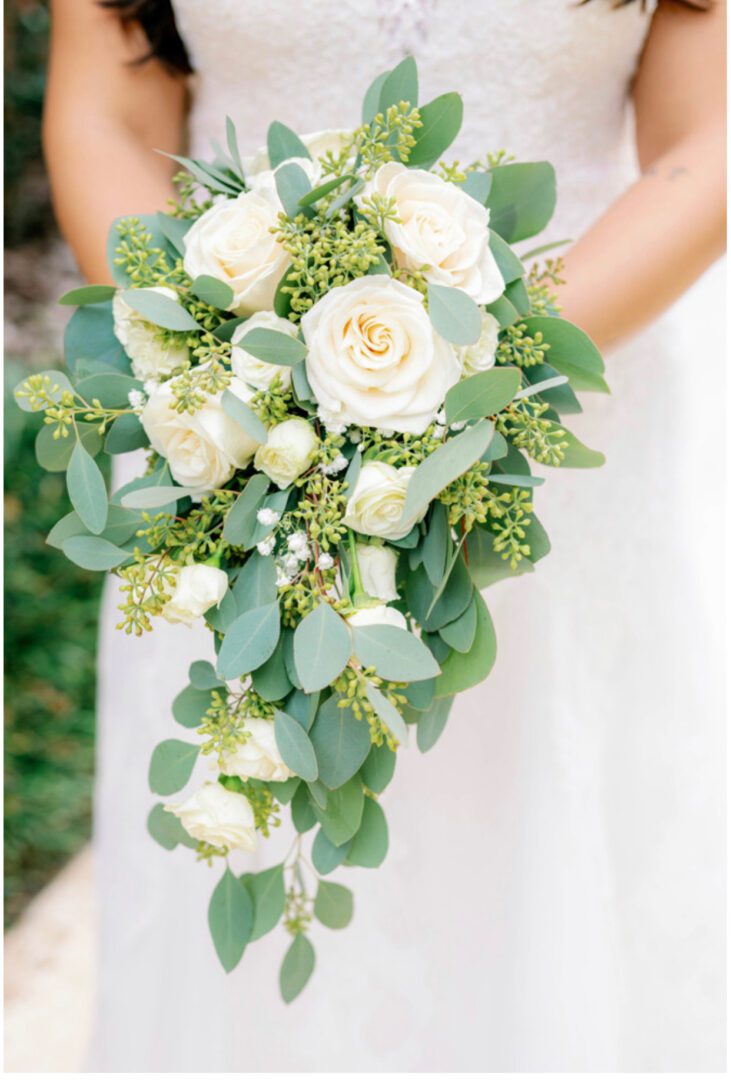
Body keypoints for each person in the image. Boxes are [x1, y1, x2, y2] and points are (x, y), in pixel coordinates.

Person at [43, 0, 725, 1070]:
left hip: (571, 405)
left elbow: (705, 141)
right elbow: (112, 118)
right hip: (239, 443)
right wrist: (234, 377)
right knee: (256, 811)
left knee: (549, 837)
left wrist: (476, 368)